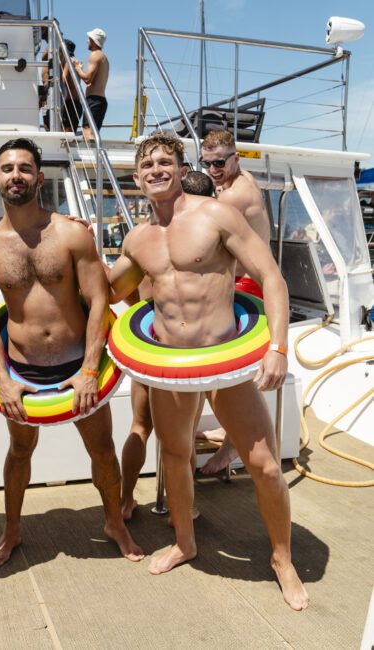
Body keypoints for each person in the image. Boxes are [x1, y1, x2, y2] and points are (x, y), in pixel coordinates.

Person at [107, 132, 309, 611]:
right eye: (147, 165)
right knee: (175, 457)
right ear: (136, 179)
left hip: (224, 360)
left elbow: (272, 278)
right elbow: (111, 291)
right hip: (171, 367)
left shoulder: (216, 215)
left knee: (262, 465)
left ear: (179, 169)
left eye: (164, 162)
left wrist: (277, 348)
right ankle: (185, 541)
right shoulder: (137, 239)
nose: (156, 169)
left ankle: (282, 559)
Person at [0, 138, 143, 567]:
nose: (16, 176)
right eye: (8, 168)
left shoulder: (71, 234)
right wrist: (3, 379)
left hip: (76, 364)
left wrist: (89, 369)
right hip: (23, 371)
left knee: (101, 450)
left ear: (39, 178)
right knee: (19, 452)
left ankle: (113, 523)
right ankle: (12, 529)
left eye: (25, 168)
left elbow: (99, 301)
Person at [120, 167, 214, 521]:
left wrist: (141, 313)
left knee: (139, 427)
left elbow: (124, 290)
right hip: (178, 349)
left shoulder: (142, 240)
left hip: (147, 343)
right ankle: (184, 509)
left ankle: (126, 499)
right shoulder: (193, 240)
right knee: (184, 435)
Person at [197, 130, 272, 473]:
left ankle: (233, 449)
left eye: (220, 162)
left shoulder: (233, 198)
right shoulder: (240, 179)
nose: (213, 169)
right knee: (232, 371)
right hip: (243, 280)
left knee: (234, 372)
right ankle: (230, 435)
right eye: (207, 162)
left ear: (236, 157)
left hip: (248, 284)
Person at [72, 28, 109, 139]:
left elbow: (88, 79)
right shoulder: (103, 57)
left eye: (89, 39)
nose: (87, 41)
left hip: (94, 100)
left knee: (88, 131)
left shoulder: (95, 55)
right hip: (99, 101)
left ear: (93, 40)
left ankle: (93, 156)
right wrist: (81, 70)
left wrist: (77, 68)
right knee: (92, 134)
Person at [60, 39, 83, 132]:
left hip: (69, 103)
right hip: (77, 104)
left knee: (65, 137)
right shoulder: (77, 63)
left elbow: (63, 80)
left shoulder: (68, 61)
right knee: (71, 135)